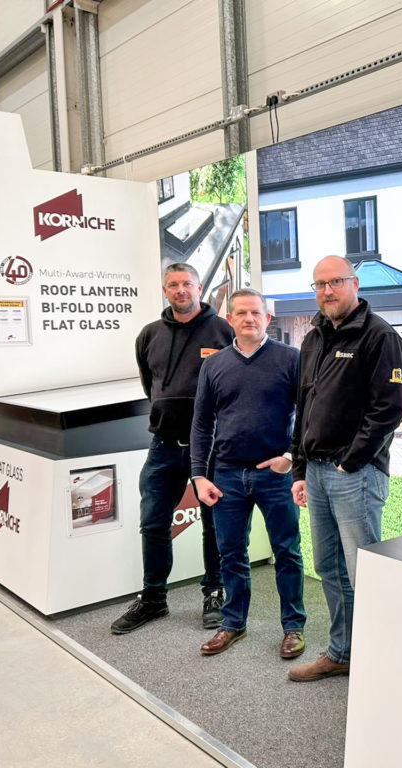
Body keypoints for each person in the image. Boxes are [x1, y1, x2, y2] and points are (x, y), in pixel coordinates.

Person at [287, 255, 402, 682]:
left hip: (353, 473)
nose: (326, 292)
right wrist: (300, 469)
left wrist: (351, 460)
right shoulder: (314, 339)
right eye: (319, 285)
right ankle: (342, 652)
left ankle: (381, 658)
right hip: (318, 473)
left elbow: (390, 408)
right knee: (329, 567)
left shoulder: (379, 337)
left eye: (335, 282)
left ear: (354, 284)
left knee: (364, 570)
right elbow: (305, 409)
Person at [111, 263, 232, 634]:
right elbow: (153, 387)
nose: (181, 290)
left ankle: (214, 592)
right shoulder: (149, 335)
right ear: (165, 290)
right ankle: (153, 598)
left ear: (199, 288)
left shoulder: (221, 329)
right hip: (164, 446)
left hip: (210, 447)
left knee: (214, 525)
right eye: (173, 285)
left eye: (187, 284)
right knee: (153, 522)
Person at [191, 288, 307, 659]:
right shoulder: (214, 365)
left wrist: (291, 456)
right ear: (230, 320)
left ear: (267, 318)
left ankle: (293, 627)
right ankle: (233, 624)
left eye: (256, 313)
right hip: (226, 475)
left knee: (287, 552)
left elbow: (308, 414)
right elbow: (201, 425)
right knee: (231, 554)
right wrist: (198, 475)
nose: (249, 319)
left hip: (275, 475)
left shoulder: (291, 359)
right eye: (241, 313)